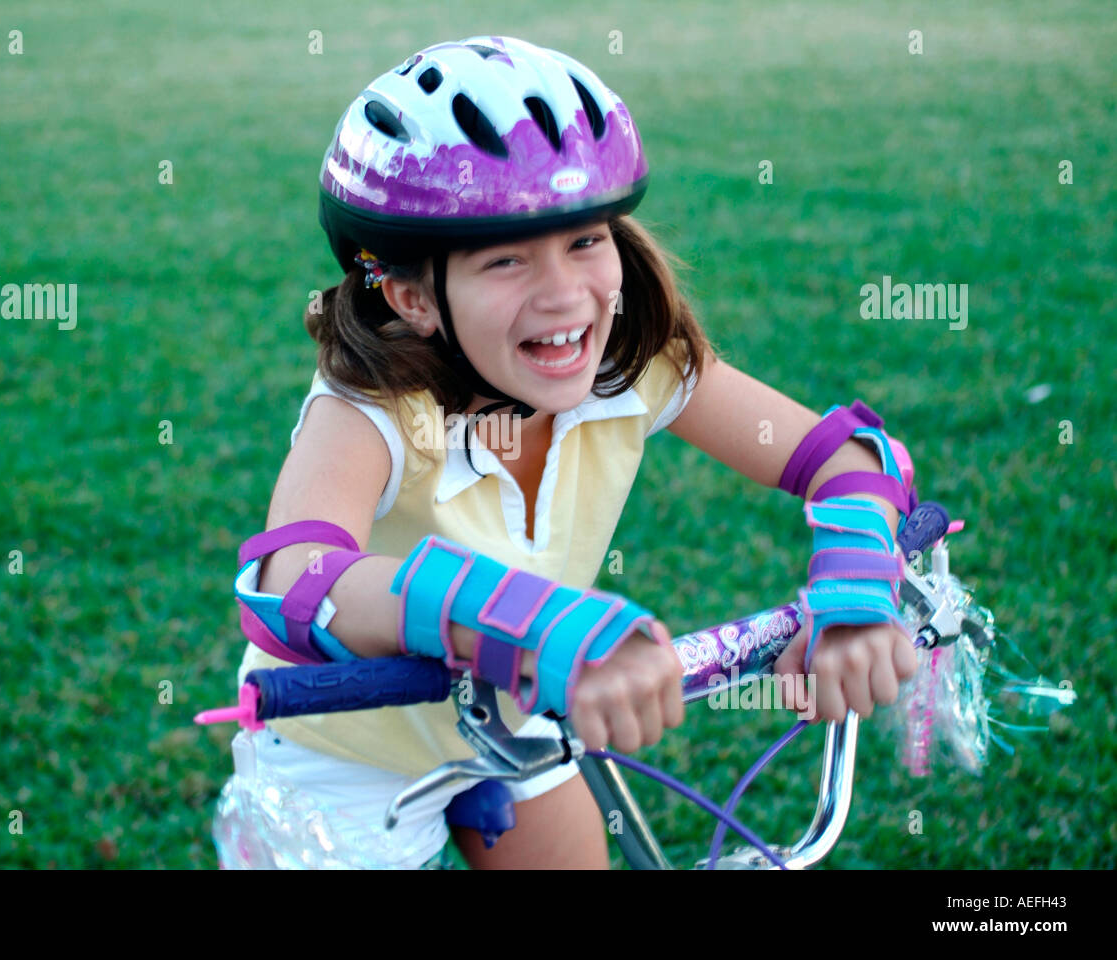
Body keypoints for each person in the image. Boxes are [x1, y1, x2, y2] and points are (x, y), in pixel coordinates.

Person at [223, 35, 918, 869]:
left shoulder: (636, 366)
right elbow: (294, 580)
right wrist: (528, 620)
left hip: (518, 710)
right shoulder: (369, 408)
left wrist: (854, 587)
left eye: (586, 241)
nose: (564, 293)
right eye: (506, 259)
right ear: (414, 298)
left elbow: (845, 457)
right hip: (341, 748)